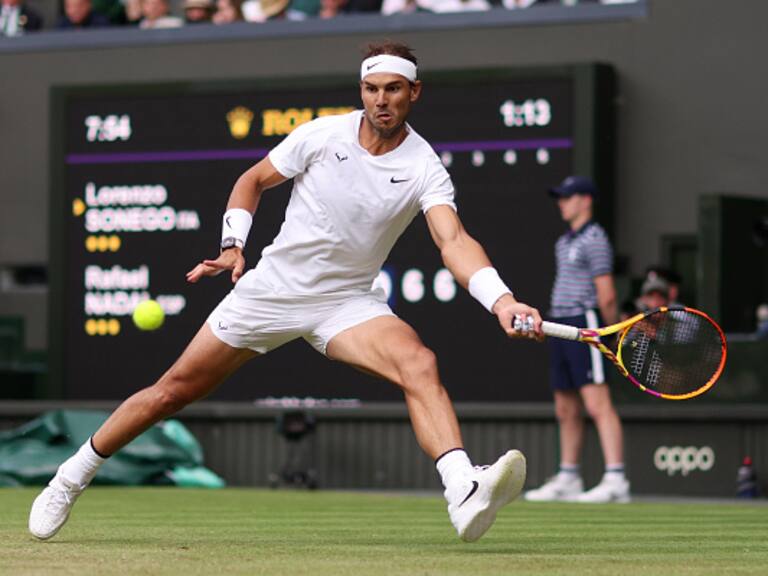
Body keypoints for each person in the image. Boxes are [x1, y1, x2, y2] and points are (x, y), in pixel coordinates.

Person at [29, 42, 543, 544]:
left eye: (393, 89)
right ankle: (70, 477)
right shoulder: (322, 135)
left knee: (418, 363)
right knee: (172, 392)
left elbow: (452, 240)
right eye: (370, 88)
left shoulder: (424, 166)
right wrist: (234, 245)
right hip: (273, 291)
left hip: (346, 302)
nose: (380, 100)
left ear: (415, 92)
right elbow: (252, 180)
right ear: (361, 90)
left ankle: (462, 487)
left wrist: (501, 300)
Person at [524, 175, 630, 504]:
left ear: (585, 200)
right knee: (565, 406)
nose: (562, 203)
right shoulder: (563, 242)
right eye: (560, 197)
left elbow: (607, 294)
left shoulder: (595, 238)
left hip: (587, 323)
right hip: (560, 325)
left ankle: (616, 479)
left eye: (568, 197)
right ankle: (569, 475)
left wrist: (610, 334)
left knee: (597, 403)